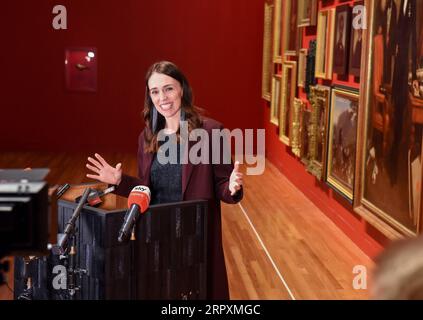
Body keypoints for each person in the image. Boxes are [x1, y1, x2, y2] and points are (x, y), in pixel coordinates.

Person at [85, 61, 244, 300]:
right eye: (155, 91)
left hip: (195, 232)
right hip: (158, 231)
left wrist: (231, 186)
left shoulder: (211, 131)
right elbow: (147, 189)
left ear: (182, 89)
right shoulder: (147, 136)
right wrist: (120, 182)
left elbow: (222, 185)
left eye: (168, 88)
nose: (163, 97)